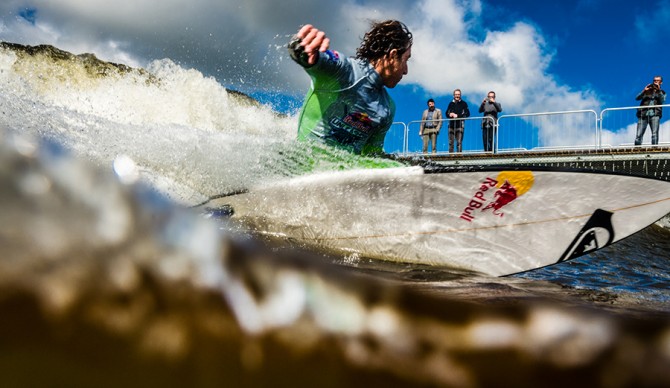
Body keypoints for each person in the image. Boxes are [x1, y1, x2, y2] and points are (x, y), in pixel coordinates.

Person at [287, 20, 413, 155]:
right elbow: (313, 57)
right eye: (406, 60)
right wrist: (301, 46)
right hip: (303, 159)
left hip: (342, 172)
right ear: (393, 55)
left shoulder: (387, 108)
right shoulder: (344, 70)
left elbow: (372, 157)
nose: (406, 70)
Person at [635, 76, 666, 146]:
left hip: (655, 114)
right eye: (654, 80)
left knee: (654, 134)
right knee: (639, 135)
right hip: (643, 114)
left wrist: (659, 91)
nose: (655, 82)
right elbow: (637, 98)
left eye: (658, 81)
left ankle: (654, 149)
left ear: (661, 82)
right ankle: (637, 149)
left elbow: (662, 101)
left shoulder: (662, 92)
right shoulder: (647, 91)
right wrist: (644, 91)